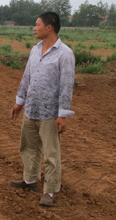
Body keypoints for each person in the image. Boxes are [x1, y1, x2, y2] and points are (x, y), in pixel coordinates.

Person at [9, 11, 75, 207]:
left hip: (50, 113)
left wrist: (62, 114)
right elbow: (26, 77)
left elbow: (66, 85)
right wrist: (19, 102)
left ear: (49, 27)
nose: (34, 28)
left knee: (51, 154)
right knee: (28, 147)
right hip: (31, 108)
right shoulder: (35, 50)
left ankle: (50, 190)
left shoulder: (65, 54)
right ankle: (30, 180)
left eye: (37, 24)